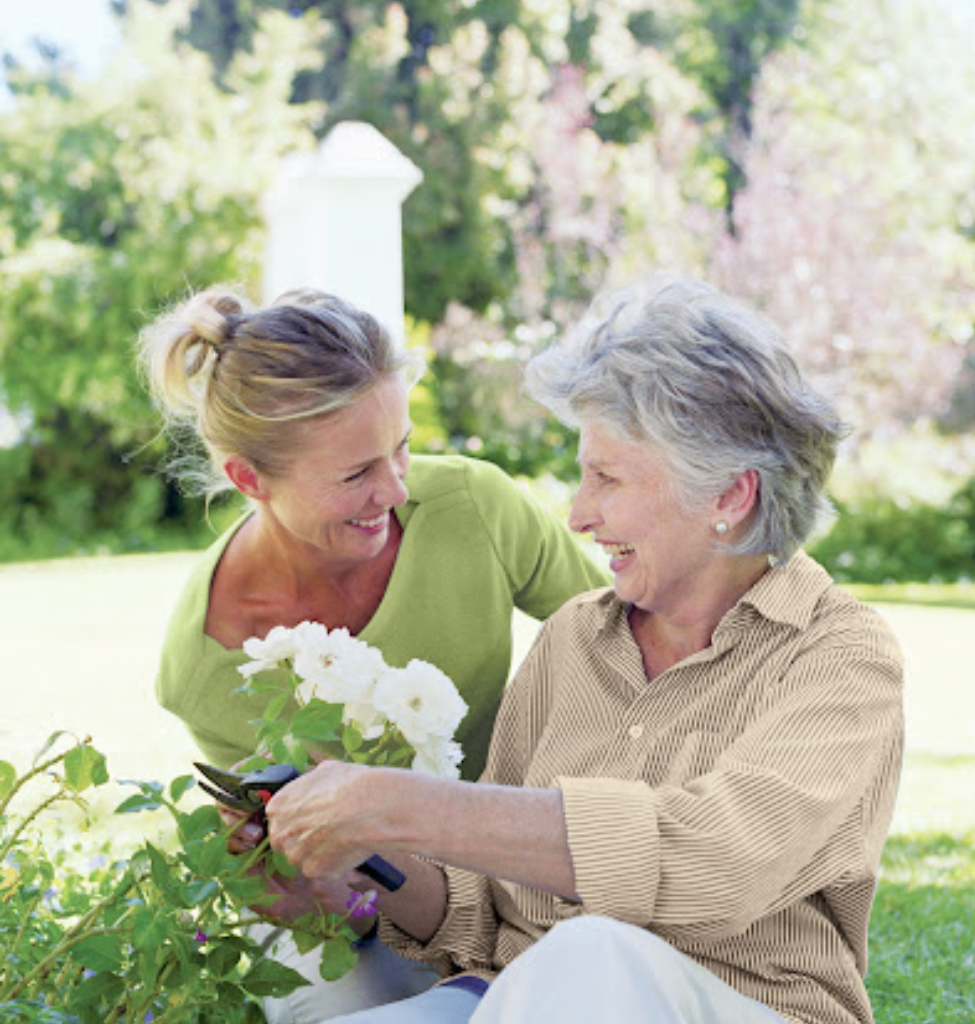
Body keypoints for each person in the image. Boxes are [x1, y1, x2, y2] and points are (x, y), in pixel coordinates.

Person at [259, 273, 905, 1024]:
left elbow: (715, 865)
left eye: (607, 478)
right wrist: (349, 874)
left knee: (591, 953)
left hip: (742, 1005)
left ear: (729, 496)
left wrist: (399, 804)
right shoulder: (573, 637)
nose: (578, 514)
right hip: (512, 998)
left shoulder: (840, 657)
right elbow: (477, 912)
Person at [138, 285, 609, 1022]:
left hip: (531, 863)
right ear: (249, 479)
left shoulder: (471, 508)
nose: (393, 491)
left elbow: (636, 645)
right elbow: (318, 890)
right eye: (355, 474)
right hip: (377, 910)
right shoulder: (211, 662)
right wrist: (313, 897)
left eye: (402, 448)